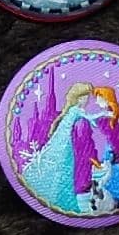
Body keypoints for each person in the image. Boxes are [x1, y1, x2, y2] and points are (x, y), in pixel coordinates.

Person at [21, 81, 98, 212]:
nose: (87, 100)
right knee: (63, 168)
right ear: (79, 98)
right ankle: (59, 198)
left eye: (87, 97)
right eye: (85, 97)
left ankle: (60, 198)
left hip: (64, 143)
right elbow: (90, 117)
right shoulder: (76, 110)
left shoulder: (72, 110)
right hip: (64, 145)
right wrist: (105, 114)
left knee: (64, 168)